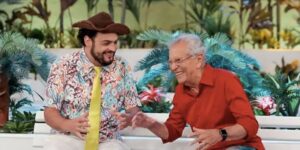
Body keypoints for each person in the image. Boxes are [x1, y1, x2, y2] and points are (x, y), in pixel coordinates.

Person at [132, 34, 265, 150]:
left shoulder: (226, 80)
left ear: (198, 60)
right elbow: (172, 131)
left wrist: (220, 134)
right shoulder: (181, 91)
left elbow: (250, 125)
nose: (172, 67)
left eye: (178, 61)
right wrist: (150, 123)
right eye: (171, 62)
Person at [44, 12, 141, 150]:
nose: (113, 48)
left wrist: (130, 118)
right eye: (106, 43)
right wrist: (68, 124)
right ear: (87, 40)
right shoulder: (63, 65)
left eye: (114, 42)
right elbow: (50, 111)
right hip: (68, 138)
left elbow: (133, 109)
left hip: (108, 142)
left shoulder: (122, 67)